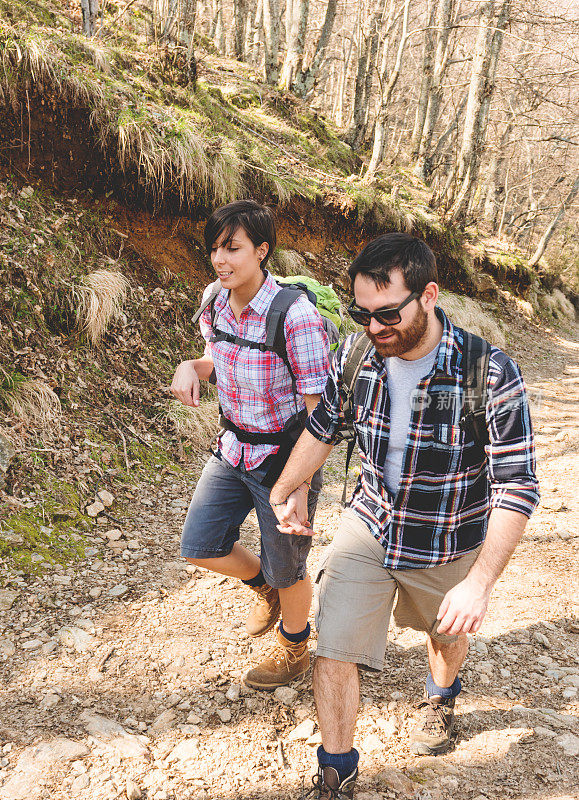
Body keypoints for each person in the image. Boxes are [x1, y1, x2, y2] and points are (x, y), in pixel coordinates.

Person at [269, 233, 540, 799]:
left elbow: (517, 484)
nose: (374, 327)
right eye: (361, 313)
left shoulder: (483, 373)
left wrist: (480, 583)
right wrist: (288, 486)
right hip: (369, 524)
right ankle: (335, 772)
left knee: (445, 634)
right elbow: (326, 427)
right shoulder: (360, 355)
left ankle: (440, 697)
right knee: (334, 646)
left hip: (448, 537)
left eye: (388, 313)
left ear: (430, 295)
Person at [171, 200, 330, 689]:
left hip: (284, 459)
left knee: (290, 567)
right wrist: (189, 368)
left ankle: (295, 646)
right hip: (233, 448)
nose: (220, 260)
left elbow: (320, 410)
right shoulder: (213, 300)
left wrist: (298, 485)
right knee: (199, 545)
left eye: (232, 248)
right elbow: (215, 358)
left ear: (262, 251)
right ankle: (265, 587)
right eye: (214, 249)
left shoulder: (295, 316)